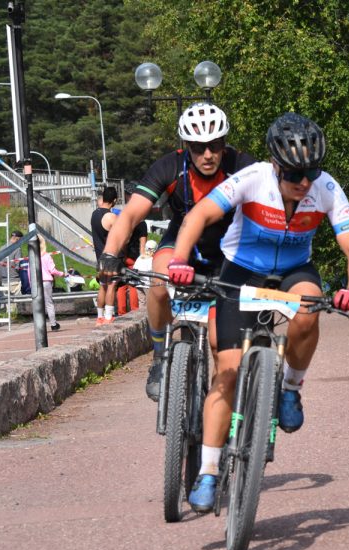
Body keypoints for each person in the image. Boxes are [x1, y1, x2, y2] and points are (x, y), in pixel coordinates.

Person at [166, 112, 349, 513]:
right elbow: (199, 216)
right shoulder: (253, 178)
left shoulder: (326, 187)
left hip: (294, 271)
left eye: (311, 172)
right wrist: (179, 260)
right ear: (276, 165)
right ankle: (209, 471)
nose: (304, 182)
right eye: (294, 174)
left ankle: (291, 388)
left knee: (310, 307)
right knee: (227, 373)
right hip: (242, 270)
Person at [98, 102, 256, 400]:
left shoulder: (242, 166)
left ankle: (216, 409)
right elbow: (130, 216)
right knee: (158, 281)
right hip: (182, 243)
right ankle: (160, 355)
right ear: (186, 146)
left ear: (224, 143)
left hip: (228, 252)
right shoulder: (170, 167)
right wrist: (109, 255)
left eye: (215, 145)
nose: (207, 154)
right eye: (198, 147)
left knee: (218, 344)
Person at [90, 187, 120, 324]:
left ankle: (100, 317)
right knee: (111, 285)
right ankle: (108, 317)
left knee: (102, 285)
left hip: (100, 256)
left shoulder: (94, 214)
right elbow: (123, 235)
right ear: (114, 200)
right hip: (110, 255)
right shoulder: (111, 217)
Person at [39, 235, 66, 331]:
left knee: (38, 304)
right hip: (46, 281)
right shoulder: (46, 256)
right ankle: (53, 324)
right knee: (49, 303)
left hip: (36, 283)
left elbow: (29, 272)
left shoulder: (32, 257)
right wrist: (62, 274)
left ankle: (40, 325)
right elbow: (52, 270)